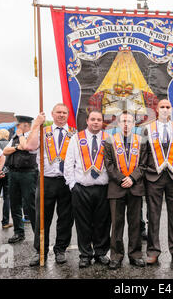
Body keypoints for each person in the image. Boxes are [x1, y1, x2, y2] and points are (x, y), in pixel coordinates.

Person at [24, 104, 76, 266]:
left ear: (68, 115)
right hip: (46, 180)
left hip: (66, 181)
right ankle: (40, 251)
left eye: (64, 112)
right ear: (52, 114)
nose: (61, 115)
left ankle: (60, 249)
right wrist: (36, 125)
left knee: (66, 218)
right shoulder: (42, 131)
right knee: (42, 218)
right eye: (58, 112)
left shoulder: (74, 134)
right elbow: (30, 147)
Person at [140, 99, 173, 264]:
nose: (165, 109)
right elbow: (143, 154)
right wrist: (146, 173)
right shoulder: (147, 129)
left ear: (171, 110)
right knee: (153, 215)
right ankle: (153, 251)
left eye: (168, 107)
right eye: (162, 107)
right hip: (154, 177)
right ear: (157, 109)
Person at [64, 110, 111, 268]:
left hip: (103, 188)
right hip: (81, 188)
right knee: (83, 224)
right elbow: (69, 162)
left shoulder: (109, 138)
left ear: (102, 122)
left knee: (102, 223)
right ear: (87, 121)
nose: (96, 122)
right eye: (93, 119)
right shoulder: (77, 138)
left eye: (99, 119)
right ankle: (85, 254)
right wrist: (72, 185)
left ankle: (101, 253)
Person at [103, 111, 147, 269]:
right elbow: (109, 165)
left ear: (134, 124)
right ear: (118, 124)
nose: (126, 124)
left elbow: (143, 164)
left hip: (135, 187)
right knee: (117, 224)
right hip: (117, 187)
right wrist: (122, 179)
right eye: (123, 121)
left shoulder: (141, 141)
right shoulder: (109, 141)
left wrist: (132, 178)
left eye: (129, 121)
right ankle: (116, 256)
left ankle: (135, 255)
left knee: (135, 223)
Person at [3, 115, 37, 244]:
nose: (16, 127)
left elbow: (26, 146)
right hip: (13, 173)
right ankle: (19, 232)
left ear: (26, 125)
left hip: (28, 173)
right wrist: (16, 148)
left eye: (19, 125)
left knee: (31, 204)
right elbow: (5, 151)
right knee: (15, 203)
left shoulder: (32, 135)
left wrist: (21, 138)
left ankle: (37, 233)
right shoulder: (14, 138)